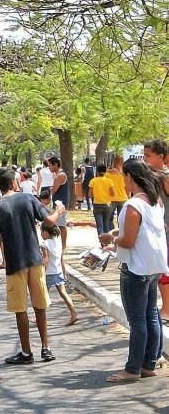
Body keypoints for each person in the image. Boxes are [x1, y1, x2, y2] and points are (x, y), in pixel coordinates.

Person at [98, 158, 168, 383]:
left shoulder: (133, 205)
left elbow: (128, 241)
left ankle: (132, 368)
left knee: (138, 320)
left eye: (123, 176)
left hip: (136, 269)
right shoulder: (155, 202)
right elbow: (147, 229)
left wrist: (112, 240)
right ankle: (149, 364)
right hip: (154, 266)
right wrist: (117, 236)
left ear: (129, 176)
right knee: (151, 316)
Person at [0, 167, 65, 364]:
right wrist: (59, 211)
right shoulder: (28, 199)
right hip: (34, 259)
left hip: (14, 262)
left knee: (20, 308)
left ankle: (26, 351)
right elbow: (49, 221)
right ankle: (46, 348)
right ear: (14, 182)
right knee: (40, 305)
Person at [142, 139, 169, 321]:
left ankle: (166, 309)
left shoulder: (164, 176)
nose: (145, 160)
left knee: (164, 271)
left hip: (166, 231)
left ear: (161, 157)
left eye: (148, 156)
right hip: (159, 231)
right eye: (144, 156)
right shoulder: (151, 176)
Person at [40, 224, 77, 326]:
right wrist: (64, 271)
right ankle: (74, 313)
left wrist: (42, 272)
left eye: (41, 232)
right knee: (64, 294)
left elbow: (46, 259)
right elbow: (61, 259)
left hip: (48, 273)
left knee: (42, 296)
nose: (41, 234)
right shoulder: (58, 242)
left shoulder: (44, 243)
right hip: (58, 271)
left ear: (46, 232)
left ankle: (40, 317)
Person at [48, 156, 69, 274]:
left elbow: (54, 190)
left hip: (61, 203)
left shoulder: (60, 175)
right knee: (57, 224)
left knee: (61, 224)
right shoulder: (57, 175)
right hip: (58, 202)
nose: (50, 167)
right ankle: (59, 242)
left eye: (50, 165)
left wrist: (51, 188)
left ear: (56, 164)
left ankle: (64, 245)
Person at [89, 164, 116, 235]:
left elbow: (90, 194)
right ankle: (107, 242)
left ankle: (102, 243)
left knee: (100, 226)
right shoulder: (109, 181)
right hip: (107, 205)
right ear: (105, 171)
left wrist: (95, 195)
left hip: (97, 205)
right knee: (106, 225)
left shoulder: (93, 181)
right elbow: (113, 193)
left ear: (97, 171)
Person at [105, 154, 128, 227]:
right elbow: (127, 187)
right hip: (123, 198)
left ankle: (111, 233)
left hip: (111, 198)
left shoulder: (107, 173)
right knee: (122, 219)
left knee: (109, 219)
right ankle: (120, 234)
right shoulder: (125, 174)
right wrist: (129, 198)